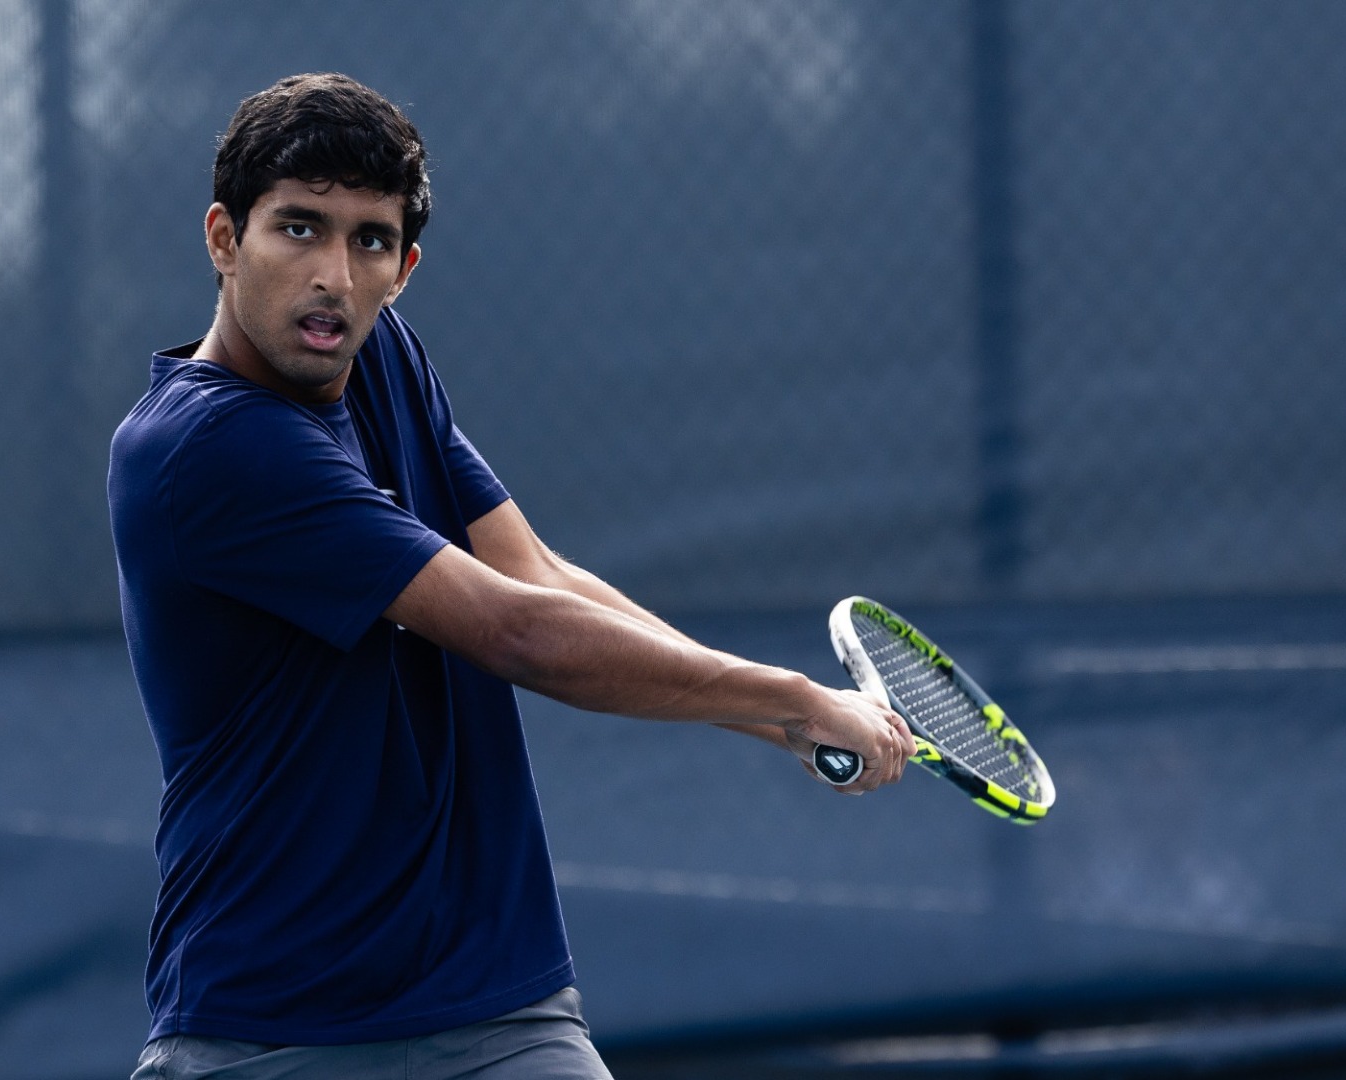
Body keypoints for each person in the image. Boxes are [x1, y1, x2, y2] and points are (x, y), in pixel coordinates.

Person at [108, 72, 913, 1080]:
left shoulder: (382, 353)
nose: (335, 277)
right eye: (299, 229)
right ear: (225, 238)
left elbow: (537, 573)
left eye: (369, 241)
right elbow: (512, 631)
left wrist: (774, 722)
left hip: (497, 1010)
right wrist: (793, 698)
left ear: (404, 267)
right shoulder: (207, 451)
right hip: (267, 1029)